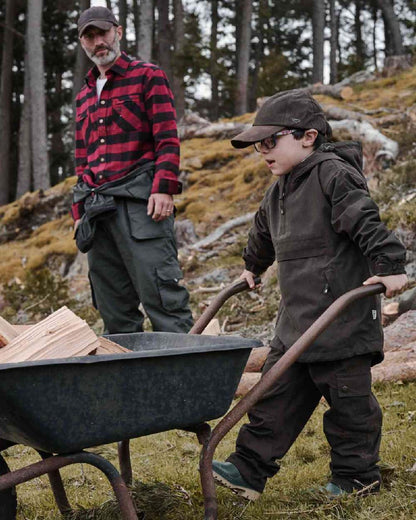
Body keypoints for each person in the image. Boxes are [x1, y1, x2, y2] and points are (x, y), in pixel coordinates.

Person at [212, 89, 408, 500]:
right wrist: (252, 266)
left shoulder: (333, 174)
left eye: (270, 141)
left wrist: (388, 266)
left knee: (349, 409)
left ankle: (357, 478)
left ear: (308, 136)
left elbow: (363, 218)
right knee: (271, 400)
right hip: (296, 323)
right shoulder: (277, 190)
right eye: (257, 145)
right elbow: (262, 233)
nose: (262, 151)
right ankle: (248, 471)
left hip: (339, 322)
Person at [71, 6, 193, 334]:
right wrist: (78, 213)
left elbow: (167, 136)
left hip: (141, 205)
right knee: (113, 309)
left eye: (103, 33)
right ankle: (131, 384)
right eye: (90, 36)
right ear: (83, 42)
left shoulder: (147, 75)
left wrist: (164, 187)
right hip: (97, 211)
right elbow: (82, 160)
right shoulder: (83, 95)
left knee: (162, 296)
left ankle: (184, 380)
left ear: (119, 32)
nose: (99, 42)